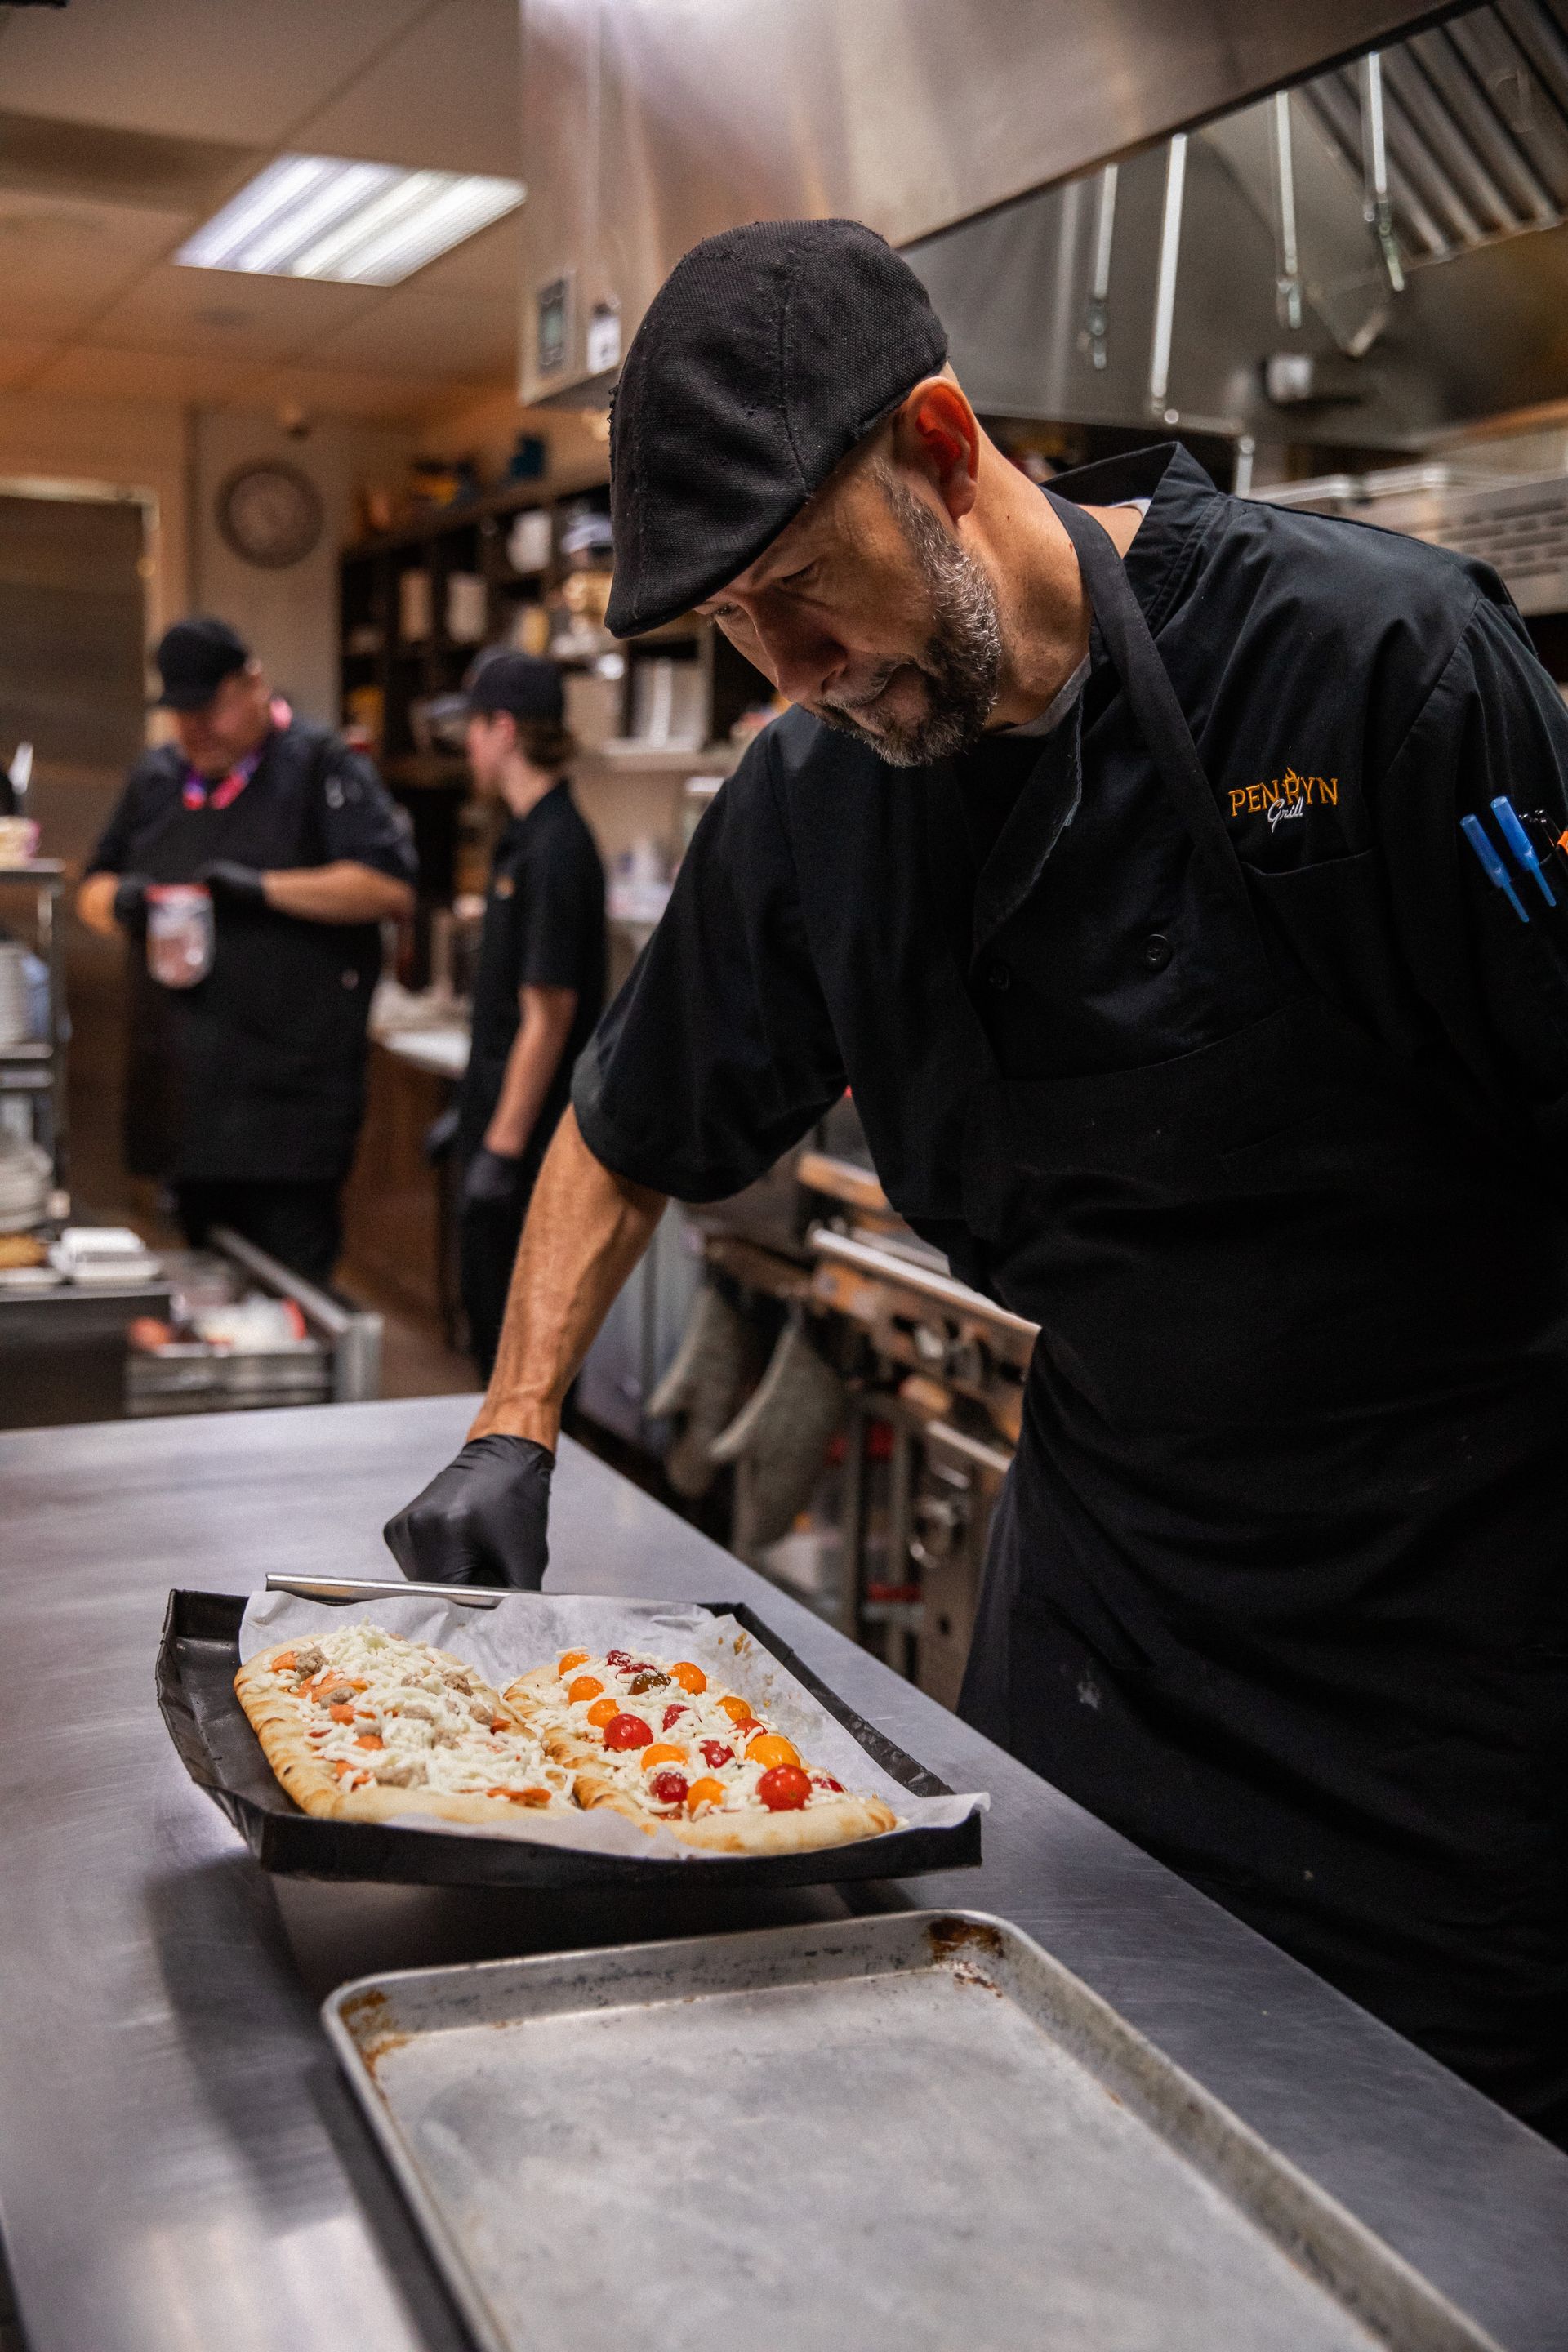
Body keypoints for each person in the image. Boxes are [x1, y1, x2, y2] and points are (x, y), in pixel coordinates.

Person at [385, 220, 1568, 2145]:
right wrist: (511, 1425)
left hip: (1456, 1673)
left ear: (938, 443)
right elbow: (628, 1117)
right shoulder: (814, 797)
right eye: (732, 629)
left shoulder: (1374, 669)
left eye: (794, 590)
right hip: (1108, 1649)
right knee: (1072, 2148)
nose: (787, 665)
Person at [78, 617, 416, 1287]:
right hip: (184, 1106)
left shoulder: (323, 765)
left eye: (208, 708)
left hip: (288, 1111)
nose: (194, 729)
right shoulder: (156, 779)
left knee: (289, 1292)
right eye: (180, 714)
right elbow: (90, 885)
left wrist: (261, 889)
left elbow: (388, 888)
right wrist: (122, 905)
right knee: (199, 1298)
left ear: (253, 683)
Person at [452, 653, 605, 1376]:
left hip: (531, 1159)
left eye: (473, 729)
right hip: (502, 1131)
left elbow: (549, 1014)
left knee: (519, 1363)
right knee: (490, 1343)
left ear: (503, 729)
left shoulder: (556, 847)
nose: (468, 748)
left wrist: (501, 1149)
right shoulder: (522, 839)